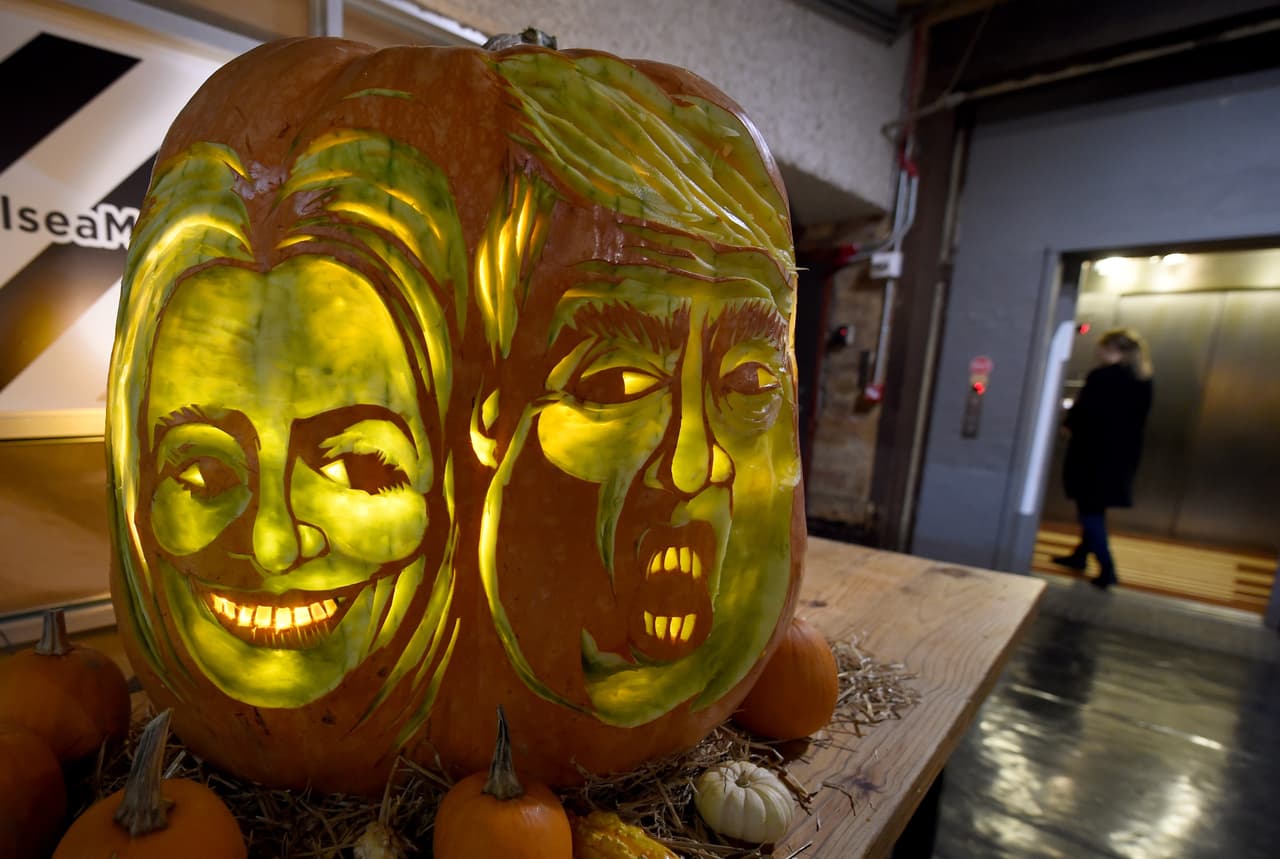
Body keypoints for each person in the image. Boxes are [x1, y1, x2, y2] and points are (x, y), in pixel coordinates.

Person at [1053, 327, 1154, 589]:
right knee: (1095, 508)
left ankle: (1107, 569)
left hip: (1093, 457)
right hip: (1119, 459)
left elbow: (1084, 414)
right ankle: (1080, 556)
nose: (1098, 352)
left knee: (1089, 511)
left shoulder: (1103, 377)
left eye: (1102, 347)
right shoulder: (1142, 380)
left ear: (1113, 349)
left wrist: (1068, 424)